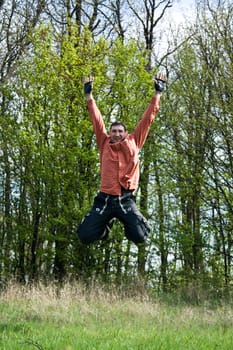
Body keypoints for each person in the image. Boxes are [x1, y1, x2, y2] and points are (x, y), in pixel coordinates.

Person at [77, 73, 166, 244]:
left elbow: (147, 120)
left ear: (125, 133)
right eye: (113, 131)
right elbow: (96, 120)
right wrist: (89, 96)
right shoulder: (104, 143)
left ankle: (128, 224)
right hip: (105, 198)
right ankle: (105, 228)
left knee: (141, 236)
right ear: (109, 133)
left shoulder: (134, 141)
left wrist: (158, 94)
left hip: (125, 199)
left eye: (120, 131)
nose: (116, 134)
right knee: (84, 236)